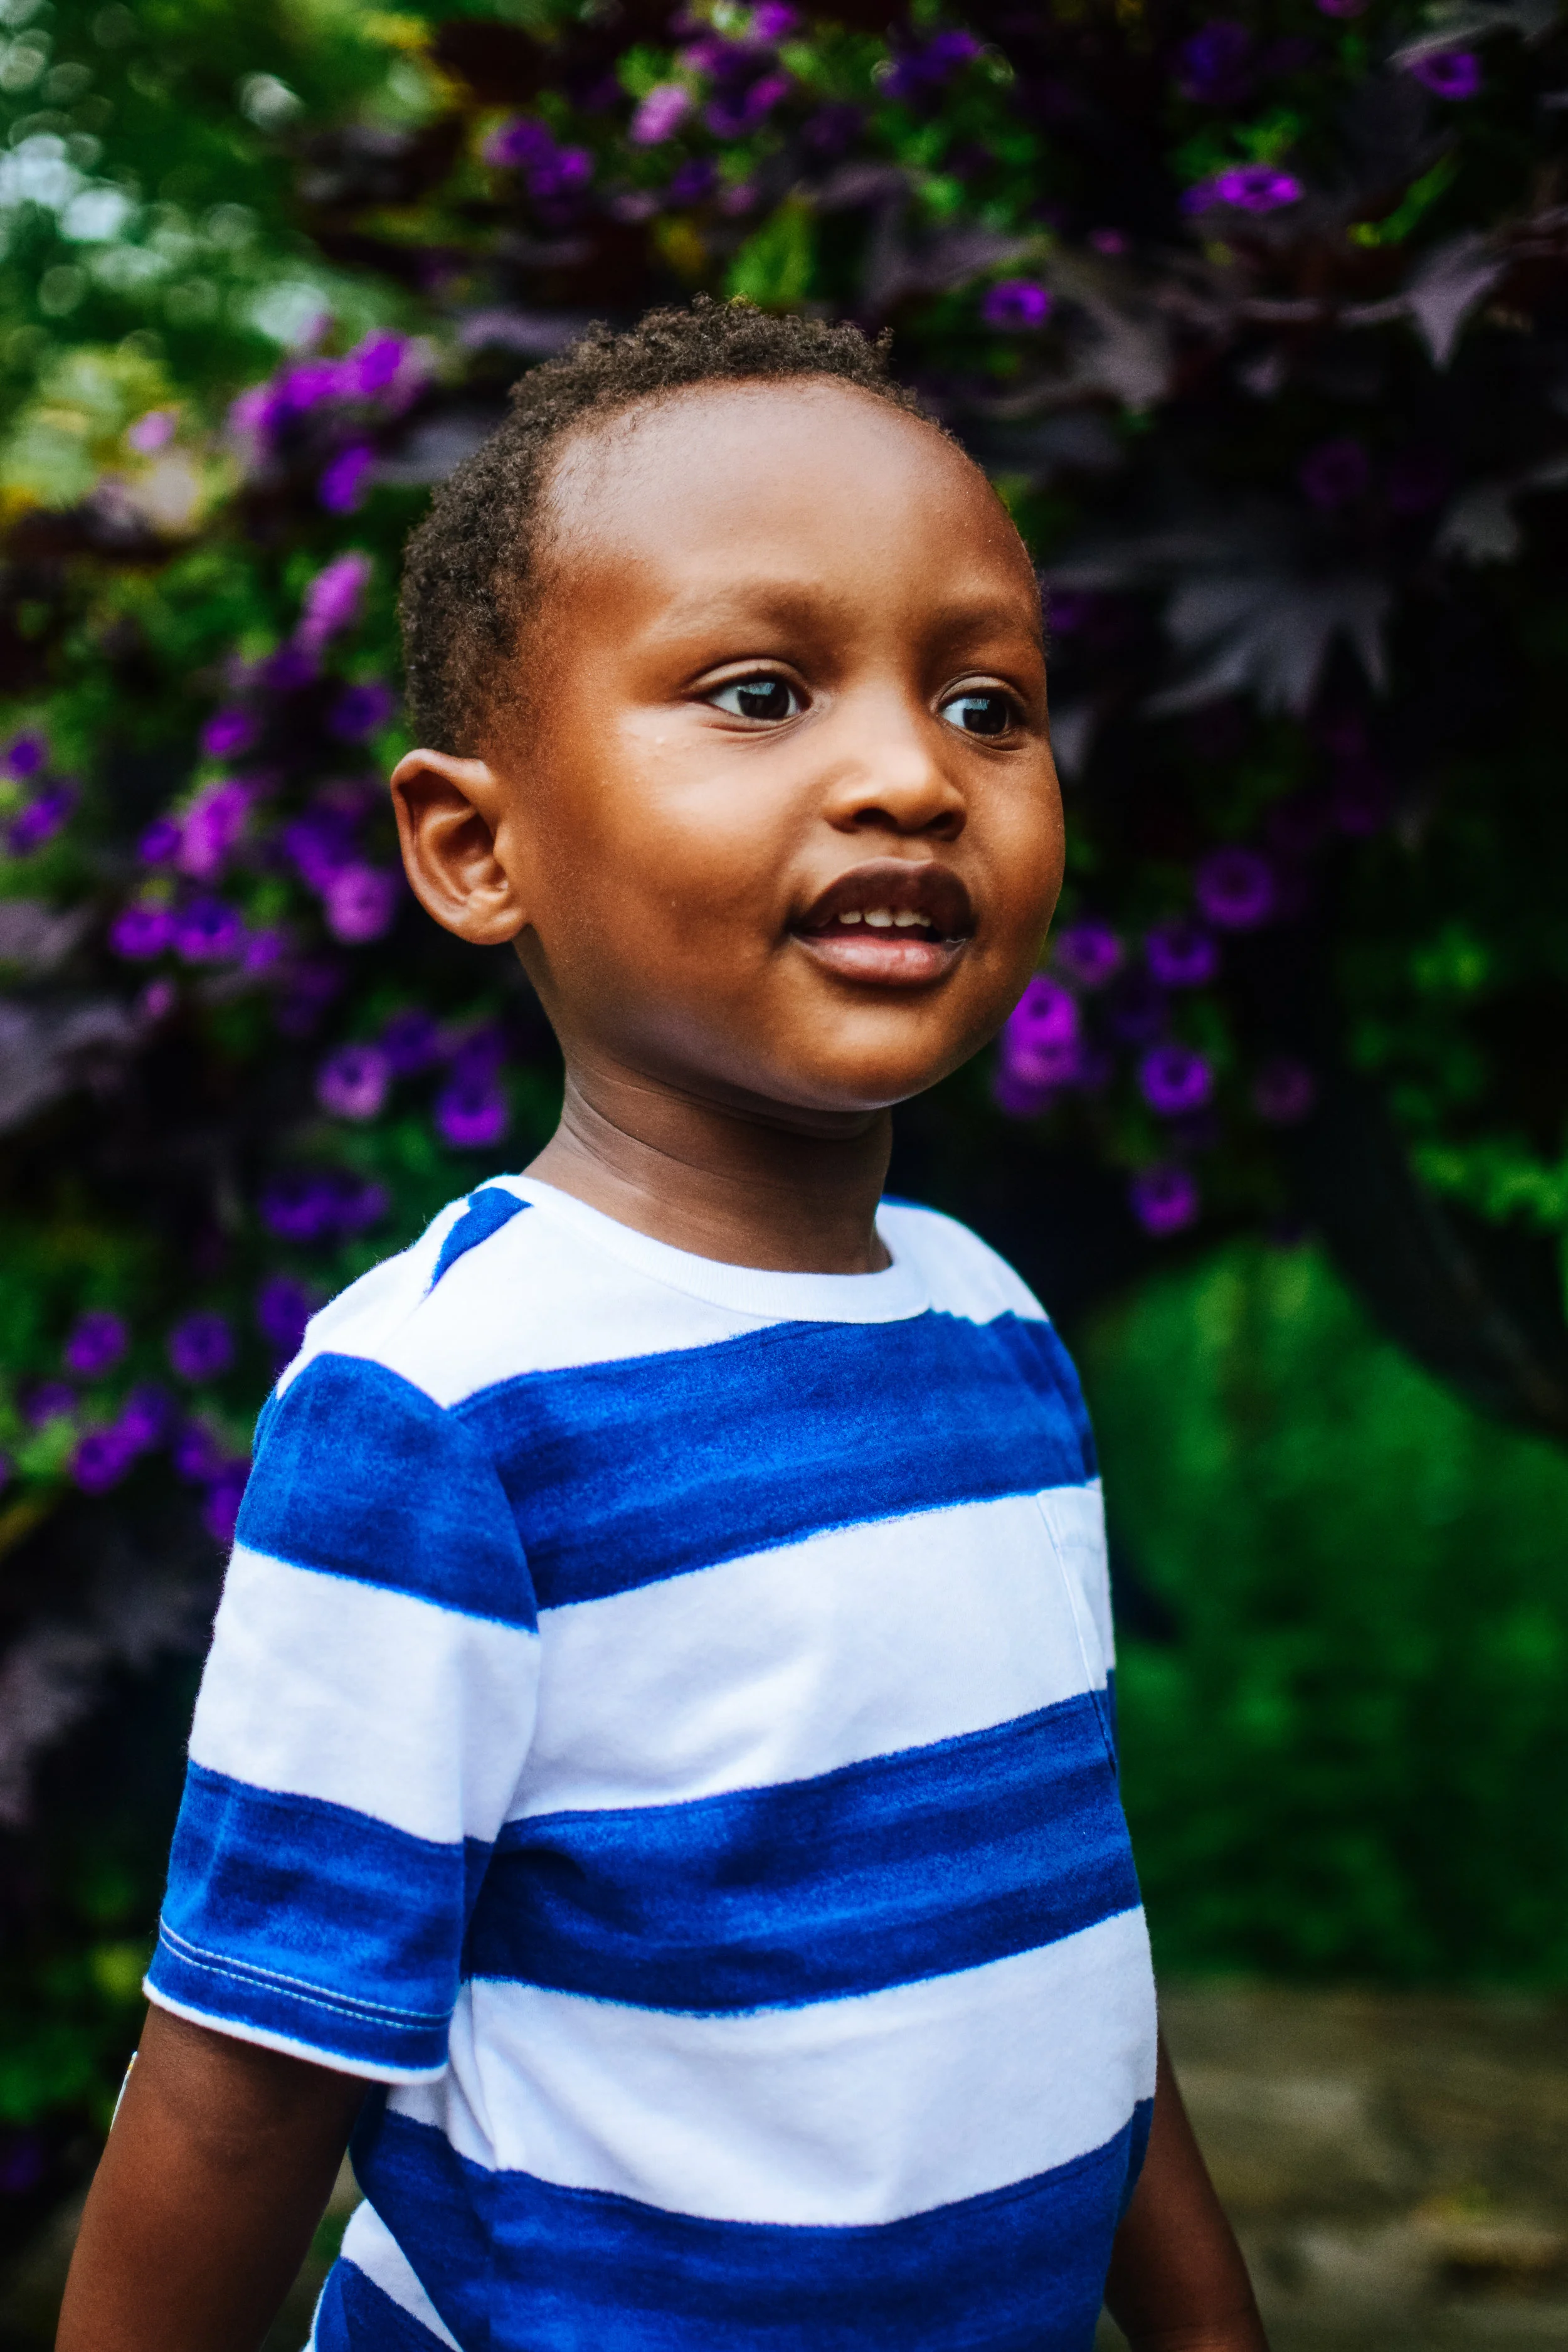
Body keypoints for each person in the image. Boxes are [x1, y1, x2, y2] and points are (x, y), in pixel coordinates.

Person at [57, 299, 1268, 2352]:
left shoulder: (991, 1332)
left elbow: (1055, 1949)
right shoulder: (444, 1406)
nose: (908, 771)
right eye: (760, 688)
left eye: (987, 703)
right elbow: (247, 2085)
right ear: (476, 842)